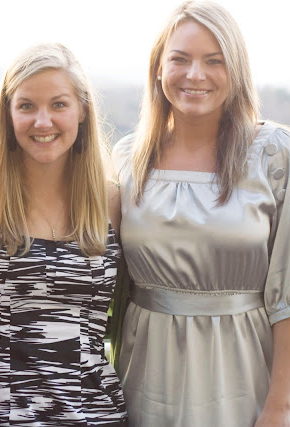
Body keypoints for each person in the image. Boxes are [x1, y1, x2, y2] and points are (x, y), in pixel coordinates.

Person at [112, 1, 290, 426]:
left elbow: (287, 292)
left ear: (237, 70)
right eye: (180, 59)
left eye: (214, 61)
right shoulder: (127, 159)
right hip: (146, 373)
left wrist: (279, 405)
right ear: (158, 68)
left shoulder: (274, 154)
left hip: (244, 375)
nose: (195, 75)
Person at [0, 43, 127, 426]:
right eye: (27, 106)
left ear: (82, 110)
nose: (43, 121)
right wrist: (19, 348)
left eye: (59, 104)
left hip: (93, 415)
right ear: (8, 114)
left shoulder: (111, 200)